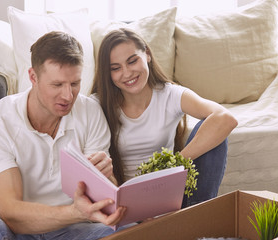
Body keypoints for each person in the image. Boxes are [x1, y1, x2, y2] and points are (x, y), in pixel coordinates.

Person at [0, 31, 129, 240]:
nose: (68, 96)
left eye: (75, 84)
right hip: (13, 229)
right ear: (33, 77)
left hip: (72, 228)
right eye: (57, 85)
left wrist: (106, 177)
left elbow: (102, 198)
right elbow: (11, 212)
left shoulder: (90, 112)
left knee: (131, 230)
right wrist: (74, 212)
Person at [91, 28, 238, 208]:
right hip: (127, 204)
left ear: (147, 55)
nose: (127, 73)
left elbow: (226, 118)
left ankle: (199, 218)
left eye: (132, 61)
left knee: (213, 132)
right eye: (116, 68)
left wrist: (174, 166)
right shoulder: (98, 105)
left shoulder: (169, 94)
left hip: (170, 196)